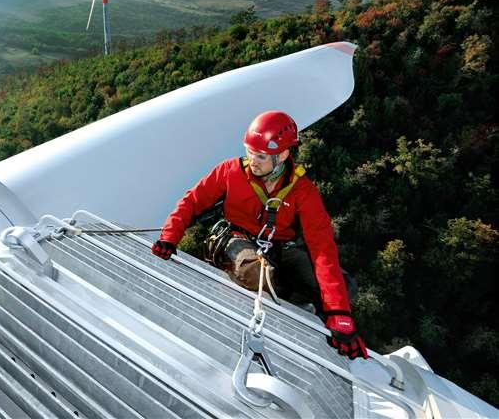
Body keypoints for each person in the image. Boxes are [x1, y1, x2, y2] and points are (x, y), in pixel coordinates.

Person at [151, 110, 368, 360]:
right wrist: (170, 236)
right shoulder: (230, 171)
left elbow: (322, 249)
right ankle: (281, 303)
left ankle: (302, 311)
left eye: (261, 156)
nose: (252, 160)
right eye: (249, 152)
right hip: (235, 238)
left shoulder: (303, 192)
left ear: (283, 155)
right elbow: (192, 201)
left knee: (345, 286)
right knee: (256, 272)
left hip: (279, 247)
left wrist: (339, 313)